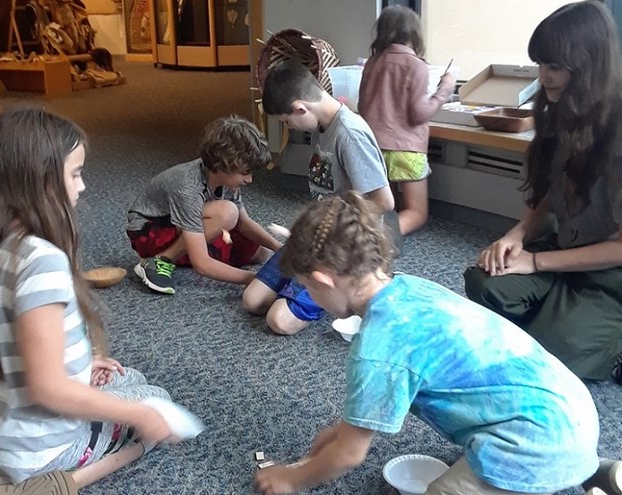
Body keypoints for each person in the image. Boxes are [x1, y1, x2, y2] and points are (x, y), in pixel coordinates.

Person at [254, 190, 611, 495]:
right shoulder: (412, 288)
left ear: (324, 280)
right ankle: (599, 472)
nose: (312, 299)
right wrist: (342, 430)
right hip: (572, 409)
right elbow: (359, 427)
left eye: (309, 289)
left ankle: (562, 472)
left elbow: (350, 455)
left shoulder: (378, 347)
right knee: (559, 452)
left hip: (535, 444)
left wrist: (292, 478)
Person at [0, 107, 182, 491]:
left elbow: (14, 346)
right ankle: (70, 477)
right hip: (36, 453)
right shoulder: (42, 262)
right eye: (75, 173)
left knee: (128, 377)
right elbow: (47, 389)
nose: (83, 186)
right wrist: (137, 414)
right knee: (154, 401)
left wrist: (82, 365)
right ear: (41, 182)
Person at [463, 0, 622, 382]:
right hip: (567, 252)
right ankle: (557, 316)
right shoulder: (562, 113)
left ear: (588, 65)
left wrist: (535, 263)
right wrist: (516, 235)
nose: (543, 76)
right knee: (483, 280)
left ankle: (603, 345)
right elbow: (552, 194)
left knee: (548, 356)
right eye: (540, 64)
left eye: (554, 67)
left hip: (613, 279)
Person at [242, 60, 396, 335]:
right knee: (252, 300)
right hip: (317, 238)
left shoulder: (349, 135)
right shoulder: (321, 126)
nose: (292, 127)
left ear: (301, 107)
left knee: (278, 320)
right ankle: (316, 291)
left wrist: (333, 230)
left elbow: (385, 202)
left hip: (342, 249)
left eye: (288, 121)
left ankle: (354, 289)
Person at [127, 115, 282, 295]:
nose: (249, 179)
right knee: (227, 213)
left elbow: (244, 223)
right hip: (149, 231)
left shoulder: (226, 178)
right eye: (245, 173)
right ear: (223, 165)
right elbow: (202, 264)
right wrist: (253, 279)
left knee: (260, 253)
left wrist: (278, 247)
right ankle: (160, 260)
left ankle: (180, 254)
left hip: (181, 225)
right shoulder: (187, 186)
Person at [358, 5, 455, 236]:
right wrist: (444, 90)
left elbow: (362, 106)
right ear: (414, 34)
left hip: (372, 145)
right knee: (417, 211)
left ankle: (364, 232)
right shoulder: (417, 65)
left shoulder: (372, 63)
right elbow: (418, 114)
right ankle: (379, 238)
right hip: (406, 150)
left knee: (383, 204)